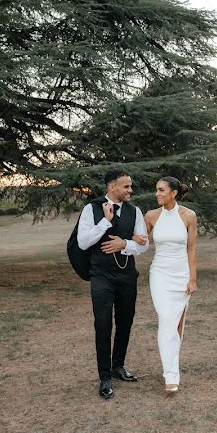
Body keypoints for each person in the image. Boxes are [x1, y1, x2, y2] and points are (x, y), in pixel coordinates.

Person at [76, 168, 150, 399]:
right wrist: (105, 223)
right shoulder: (92, 208)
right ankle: (105, 376)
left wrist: (125, 244)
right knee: (103, 324)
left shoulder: (134, 211)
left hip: (127, 275)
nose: (130, 190)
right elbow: (83, 242)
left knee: (125, 322)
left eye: (130, 186)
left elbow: (144, 244)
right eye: (126, 186)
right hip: (101, 276)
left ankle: (118, 367)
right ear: (112, 187)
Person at [141, 176, 197, 392]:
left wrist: (192, 278)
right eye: (156, 190)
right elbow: (140, 240)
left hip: (181, 274)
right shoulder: (151, 216)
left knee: (177, 324)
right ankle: (170, 375)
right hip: (160, 274)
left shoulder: (189, 216)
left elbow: (191, 249)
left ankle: (172, 367)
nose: (157, 194)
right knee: (166, 320)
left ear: (173, 193)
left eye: (161, 190)